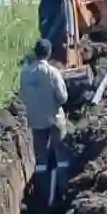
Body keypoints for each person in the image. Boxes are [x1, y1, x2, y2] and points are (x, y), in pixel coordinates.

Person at [19, 38, 69, 172]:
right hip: (54, 119)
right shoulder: (53, 72)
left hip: (35, 120)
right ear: (49, 53)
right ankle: (62, 185)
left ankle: (42, 186)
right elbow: (63, 98)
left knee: (41, 158)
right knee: (61, 154)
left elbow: (23, 96)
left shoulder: (24, 74)